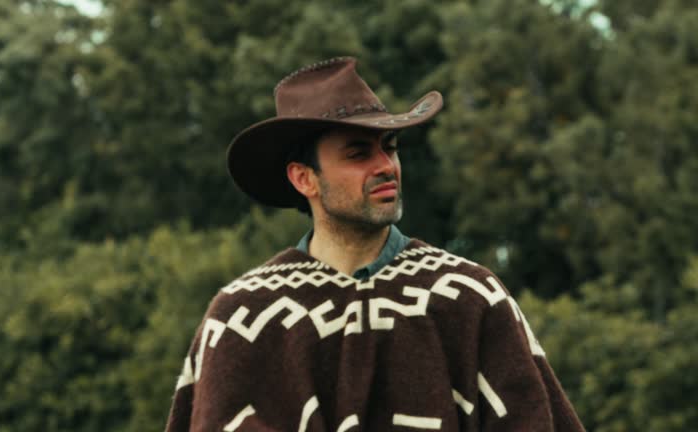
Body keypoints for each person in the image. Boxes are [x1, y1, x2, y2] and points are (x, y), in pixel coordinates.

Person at [165, 57, 585, 431]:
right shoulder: (242, 317)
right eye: (357, 153)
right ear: (303, 178)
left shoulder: (468, 300)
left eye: (390, 148)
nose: (386, 166)